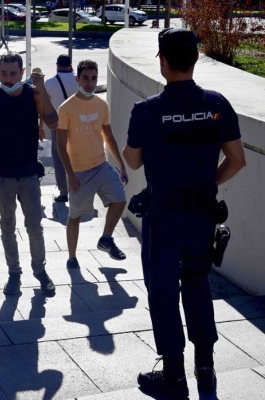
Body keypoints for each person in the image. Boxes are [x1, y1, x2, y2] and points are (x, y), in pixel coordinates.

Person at [123, 28, 246, 398]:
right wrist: (208, 181)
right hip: (201, 216)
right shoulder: (217, 104)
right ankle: (205, 371)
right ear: (195, 59)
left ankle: (174, 376)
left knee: (162, 292)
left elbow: (132, 161)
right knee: (197, 285)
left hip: (163, 218)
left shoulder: (146, 111)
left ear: (163, 61)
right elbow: (237, 160)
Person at [0, 52, 58, 296]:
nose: (8, 79)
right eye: (3, 74)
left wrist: (42, 90)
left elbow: (54, 122)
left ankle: (40, 270)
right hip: (3, 174)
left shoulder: (33, 95)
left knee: (34, 226)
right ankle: (14, 273)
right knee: (7, 226)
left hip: (28, 173)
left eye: (13, 74)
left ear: (22, 73)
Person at [57, 60, 128, 269]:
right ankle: (71, 257)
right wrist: (70, 175)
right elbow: (61, 147)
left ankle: (106, 239)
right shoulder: (66, 108)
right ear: (77, 79)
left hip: (100, 165)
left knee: (120, 199)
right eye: (86, 78)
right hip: (78, 172)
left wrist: (121, 165)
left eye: (94, 78)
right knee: (75, 216)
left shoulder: (101, 104)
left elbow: (109, 137)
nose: (90, 83)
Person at [44, 54, 78, 203]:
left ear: (57, 65)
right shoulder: (79, 80)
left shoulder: (50, 83)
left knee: (59, 158)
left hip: (58, 126)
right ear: (71, 65)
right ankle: (78, 188)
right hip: (78, 125)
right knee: (77, 157)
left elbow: (45, 105)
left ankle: (63, 192)